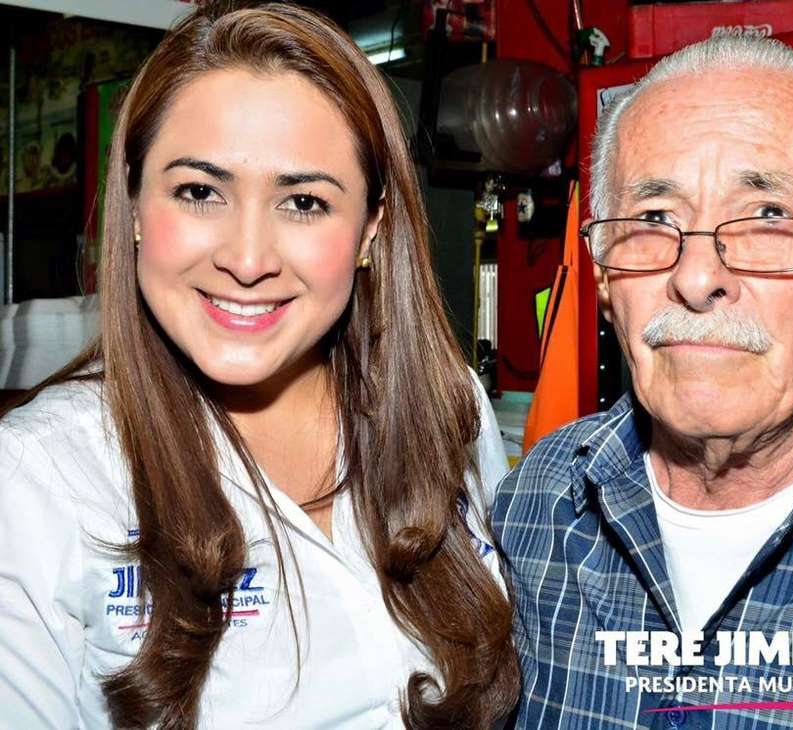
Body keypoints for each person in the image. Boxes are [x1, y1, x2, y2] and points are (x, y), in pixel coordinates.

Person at [0, 4, 519, 728]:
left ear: (371, 230)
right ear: (135, 204)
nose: (247, 260)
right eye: (200, 192)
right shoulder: (37, 478)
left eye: (303, 202)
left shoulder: (445, 407)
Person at [493, 34, 793, 730]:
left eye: (768, 216)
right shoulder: (537, 505)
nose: (697, 278)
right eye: (653, 220)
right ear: (604, 276)